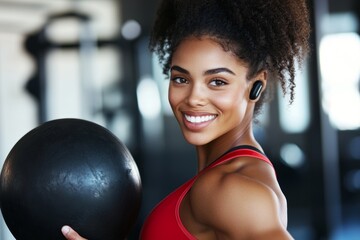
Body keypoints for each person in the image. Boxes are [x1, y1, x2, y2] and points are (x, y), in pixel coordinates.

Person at [62, 0, 310, 239]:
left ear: (256, 85)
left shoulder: (229, 188)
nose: (193, 98)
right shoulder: (227, 176)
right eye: (181, 79)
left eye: (217, 82)